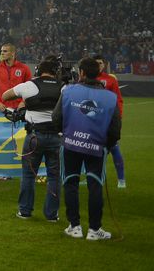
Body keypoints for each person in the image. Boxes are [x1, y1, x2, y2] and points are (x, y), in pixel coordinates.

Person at [53, 58, 121, 240]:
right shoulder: (110, 97)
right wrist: (107, 144)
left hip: (71, 145)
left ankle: (74, 227)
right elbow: (115, 128)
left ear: (81, 72)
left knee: (70, 182)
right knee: (95, 185)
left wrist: (65, 133)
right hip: (96, 147)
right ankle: (94, 230)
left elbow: (56, 117)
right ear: (98, 73)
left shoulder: (68, 91)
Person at [2, 56, 63, 222]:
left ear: (38, 70)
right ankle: (52, 214)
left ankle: (25, 211)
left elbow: (6, 96)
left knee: (28, 175)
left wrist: (26, 101)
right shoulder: (64, 88)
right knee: (54, 177)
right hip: (57, 137)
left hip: (34, 136)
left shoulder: (29, 85)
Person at [93, 55, 125, 188]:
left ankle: (121, 179)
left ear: (104, 65)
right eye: (95, 63)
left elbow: (118, 100)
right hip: (93, 120)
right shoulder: (86, 79)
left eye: (100, 63)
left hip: (109, 120)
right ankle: (96, 177)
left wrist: (118, 117)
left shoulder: (110, 80)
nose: (98, 65)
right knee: (93, 150)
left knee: (113, 147)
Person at [0, 43, 32, 110]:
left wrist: (23, 102)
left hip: (20, 107)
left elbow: (29, 88)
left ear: (13, 53)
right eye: (1, 51)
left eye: (5, 51)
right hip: (4, 107)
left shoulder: (24, 68)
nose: (2, 53)